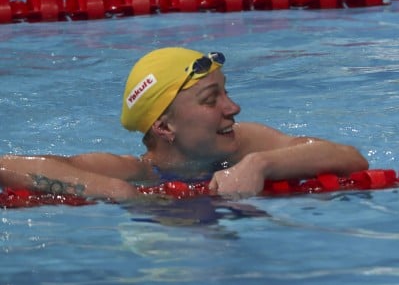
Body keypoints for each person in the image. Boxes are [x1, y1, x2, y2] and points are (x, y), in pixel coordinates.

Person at [0, 47, 369, 201]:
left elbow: (349, 158)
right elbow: (8, 165)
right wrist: (115, 191)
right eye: (212, 100)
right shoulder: (133, 173)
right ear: (164, 128)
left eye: (226, 93)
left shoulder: (245, 145)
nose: (234, 108)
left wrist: (261, 163)